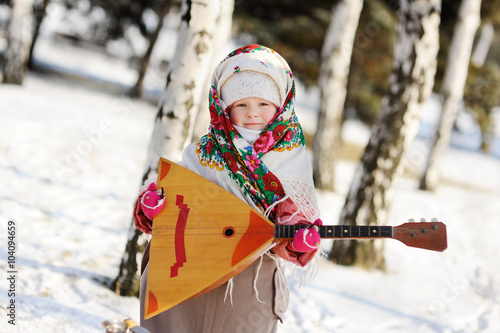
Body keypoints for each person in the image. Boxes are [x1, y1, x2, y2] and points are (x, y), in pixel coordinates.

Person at [134, 44, 322, 333]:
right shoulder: (205, 152)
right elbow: (173, 203)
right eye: (241, 105)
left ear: (281, 104)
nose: (252, 114)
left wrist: (299, 241)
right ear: (223, 107)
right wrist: (153, 208)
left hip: (249, 280)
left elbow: (290, 223)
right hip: (185, 268)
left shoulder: (289, 159)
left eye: (263, 104)